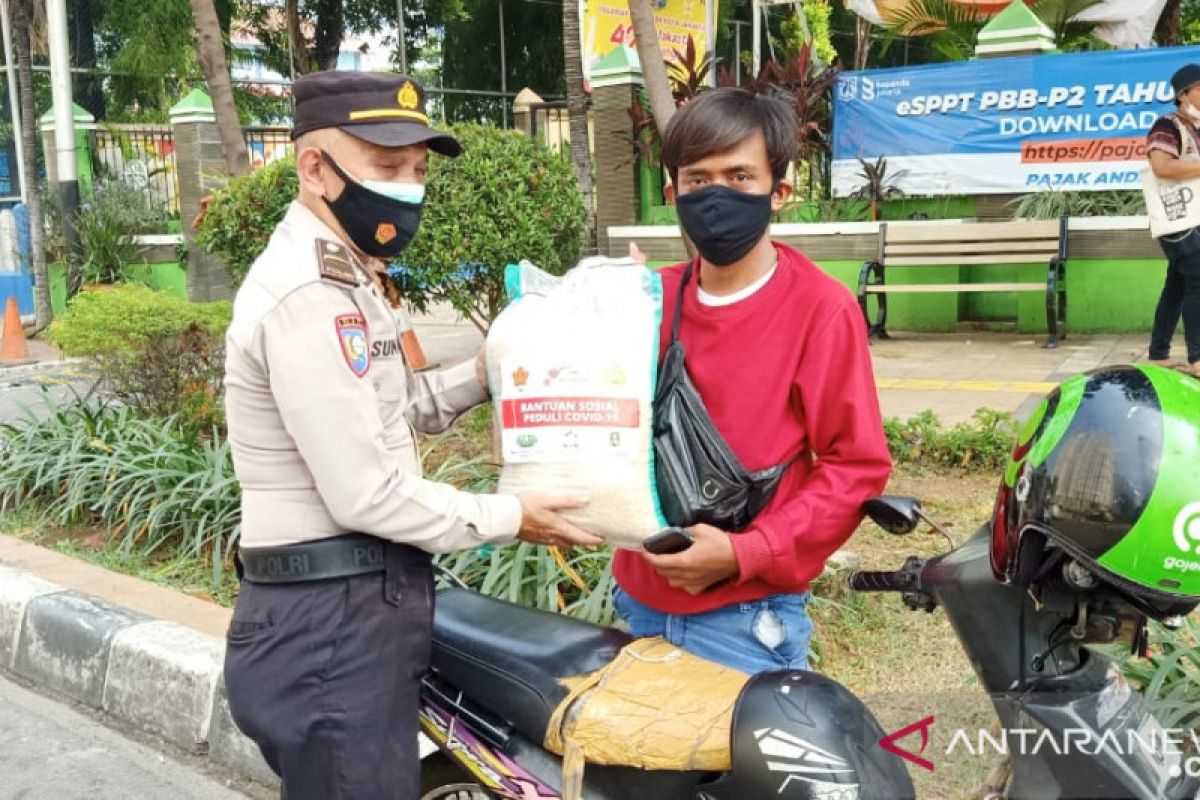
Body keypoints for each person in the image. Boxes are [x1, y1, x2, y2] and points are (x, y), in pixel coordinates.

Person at [221, 71, 600, 799]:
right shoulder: (309, 295)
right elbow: (364, 494)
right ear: (314, 168)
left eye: (418, 171)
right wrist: (512, 516)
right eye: (386, 166)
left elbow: (398, 406)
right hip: (328, 619)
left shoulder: (352, 279)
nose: (408, 187)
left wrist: (494, 369)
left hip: (350, 608)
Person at [614, 88, 892, 674]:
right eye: (698, 179)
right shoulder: (646, 299)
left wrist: (746, 551)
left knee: (744, 768)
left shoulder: (821, 310)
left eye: (740, 176)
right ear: (673, 194)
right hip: (636, 603)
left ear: (780, 191)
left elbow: (855, 466)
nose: (717, 194)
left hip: (745, 619)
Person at [1145, 63, 1200, 377]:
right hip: (1178, 218)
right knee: (1197, 278)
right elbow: (1162, 167)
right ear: (1184, 95)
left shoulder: (1196, 129)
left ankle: (1158, 354)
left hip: (1195, 218)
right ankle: (1197, 358)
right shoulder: (1167, 125)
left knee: (1177, 286)